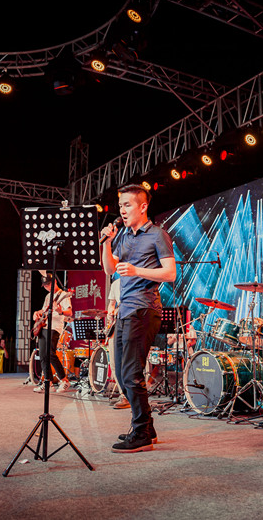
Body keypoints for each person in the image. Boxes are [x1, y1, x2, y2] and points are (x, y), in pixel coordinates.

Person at [101, 184, 176, 453]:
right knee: (123, 375)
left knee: (132, 374)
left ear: (143, 207)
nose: (122, 210)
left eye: (128, 205)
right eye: (120, 205)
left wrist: (136, 270)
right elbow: (109, 269)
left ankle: (141, 431)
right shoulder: (123, 235)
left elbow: (170, 273)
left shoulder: (157, 235)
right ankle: (147, 427)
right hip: (125, 311)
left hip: (144, 309)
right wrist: (106, 242)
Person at [33, 273, 74, 393]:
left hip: (55, 327)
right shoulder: (48, 296)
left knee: (50, 354)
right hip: (44, 326)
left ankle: (64, 381)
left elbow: (69, 312)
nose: (47, 287)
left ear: (55, 282)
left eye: (48, 284)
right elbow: (44, 310)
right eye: (45, 285)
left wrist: (60, 311)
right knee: (42, 355)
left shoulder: (63, 295)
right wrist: (37, 313)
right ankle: (48, 383)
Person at [106, 275, 130, 409]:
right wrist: (110, 312)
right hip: (116, 325)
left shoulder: (136, 279)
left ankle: (131, 395)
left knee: (129, 362)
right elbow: (111, 303)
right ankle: (123, 394)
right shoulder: (115, 284)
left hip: (131, 324)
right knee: (115, 363)